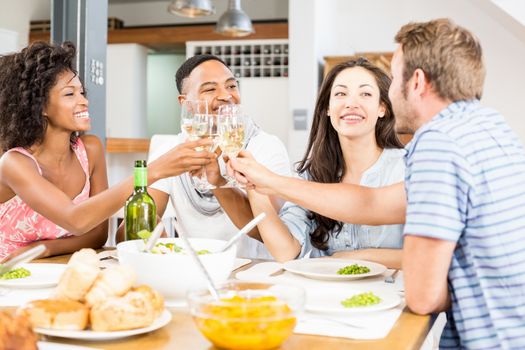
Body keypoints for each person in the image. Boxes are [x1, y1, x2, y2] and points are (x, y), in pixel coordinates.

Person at [231, 18, 525, 348]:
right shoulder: (488, 129)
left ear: (416, 81)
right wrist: (266, 181)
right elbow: (371, 204)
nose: (392, 85)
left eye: (394, 75)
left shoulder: (438, 143)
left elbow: (424, 297)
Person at [0, 41, 214, 261]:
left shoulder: (90, 150)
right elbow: (76, 220)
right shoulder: (15, 163)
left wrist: (45, 250)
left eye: (82, 92)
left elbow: (97, 234)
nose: (84, 101)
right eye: (69, 94)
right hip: (9, 278)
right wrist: (154, 171)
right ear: (40, 106)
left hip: (58, 269)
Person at [116, 54, 291, 259]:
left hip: (257, 270)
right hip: (195, 271)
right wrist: (157, 239)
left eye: (232, 86)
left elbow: (270, 233)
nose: (226, 95)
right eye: (210, 89)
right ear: (185, 103)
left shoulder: (266, 147)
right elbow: (131, 232)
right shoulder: (172, 152)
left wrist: (218, 182)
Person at [245, 58, 405, 267]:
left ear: (382, 108)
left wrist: (351, 258)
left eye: (365, 94)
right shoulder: (311, 175)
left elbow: (423, 256)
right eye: (340, 94)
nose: (351, 103)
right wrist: (255, 186)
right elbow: (285, 251)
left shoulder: (406, 168)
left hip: (392, 295)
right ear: (328, 108)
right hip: (328, 296)